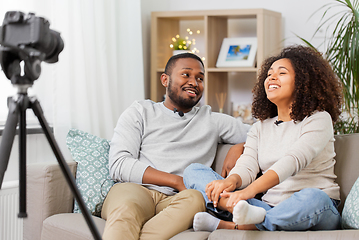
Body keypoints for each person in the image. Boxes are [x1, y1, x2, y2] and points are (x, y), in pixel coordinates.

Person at [183, 45, 343, 232]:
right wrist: (231, 182)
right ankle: (241, 211)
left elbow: (292, 162)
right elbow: (248, 165)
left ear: (302, 82)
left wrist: (246, 192)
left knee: (314, 198)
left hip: (313, 208)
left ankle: (235, 225)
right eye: (269, 74)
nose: (272, 78)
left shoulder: (318, 118)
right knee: (193, 171)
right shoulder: (260, 127)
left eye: (281, 73)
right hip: (265, 208)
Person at [101, 52, 250, 240]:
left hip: (179, 199)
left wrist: (241, 146)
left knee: (196, 199)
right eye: (186, 74)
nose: (194, 82)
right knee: (124, 210)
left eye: (200, 78)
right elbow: (119, 164)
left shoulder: (212, 120)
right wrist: (176, 181)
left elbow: (263, 135)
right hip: (136, 190)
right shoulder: (140, 111)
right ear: (165, 79)